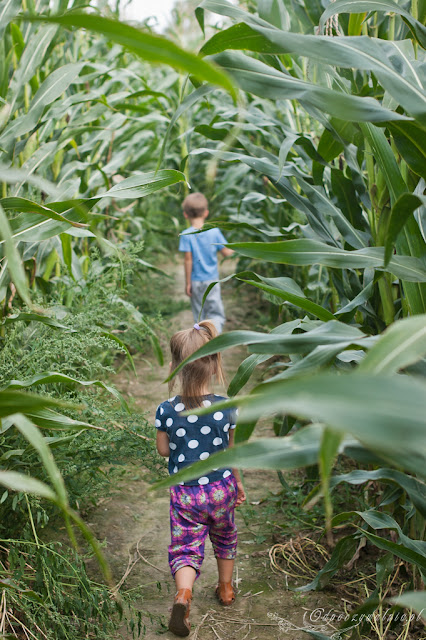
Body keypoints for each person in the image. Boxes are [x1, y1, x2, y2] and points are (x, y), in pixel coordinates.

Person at [155, 320, 246, 637]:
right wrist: (238, 485)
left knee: (185, 549)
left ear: (176, 368)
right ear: (215, 364)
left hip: (185, 494)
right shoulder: (226, 408)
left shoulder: (166, 410)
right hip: (221, 490)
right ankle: (225, 590)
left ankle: (183, 595)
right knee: (225, 537)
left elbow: (164, 450)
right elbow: (232, 454)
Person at [178, 192, 234, 334]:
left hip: (196, 281)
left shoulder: (186, 234)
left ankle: (200, 341)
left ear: (186, 214)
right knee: (215, 313)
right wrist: (243, 249)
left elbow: (188, 260)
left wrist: (188, 283)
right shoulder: (214, 232)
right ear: (206, 213)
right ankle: (214, 340)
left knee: (199, 315)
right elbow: (226, 253)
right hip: (212, 281)